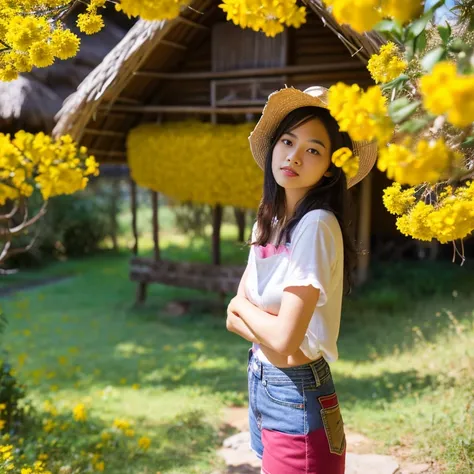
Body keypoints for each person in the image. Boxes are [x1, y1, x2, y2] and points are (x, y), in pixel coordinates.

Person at [226, 85, 377, 474]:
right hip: (263, 382)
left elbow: (281, 338)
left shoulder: (316, 225)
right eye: (288, 141)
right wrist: (246, 313)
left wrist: (243, 307)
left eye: (313, 149)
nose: (293, 155)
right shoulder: (270, 220)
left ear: (328, 166)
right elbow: (239, 321)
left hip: (297, 393)